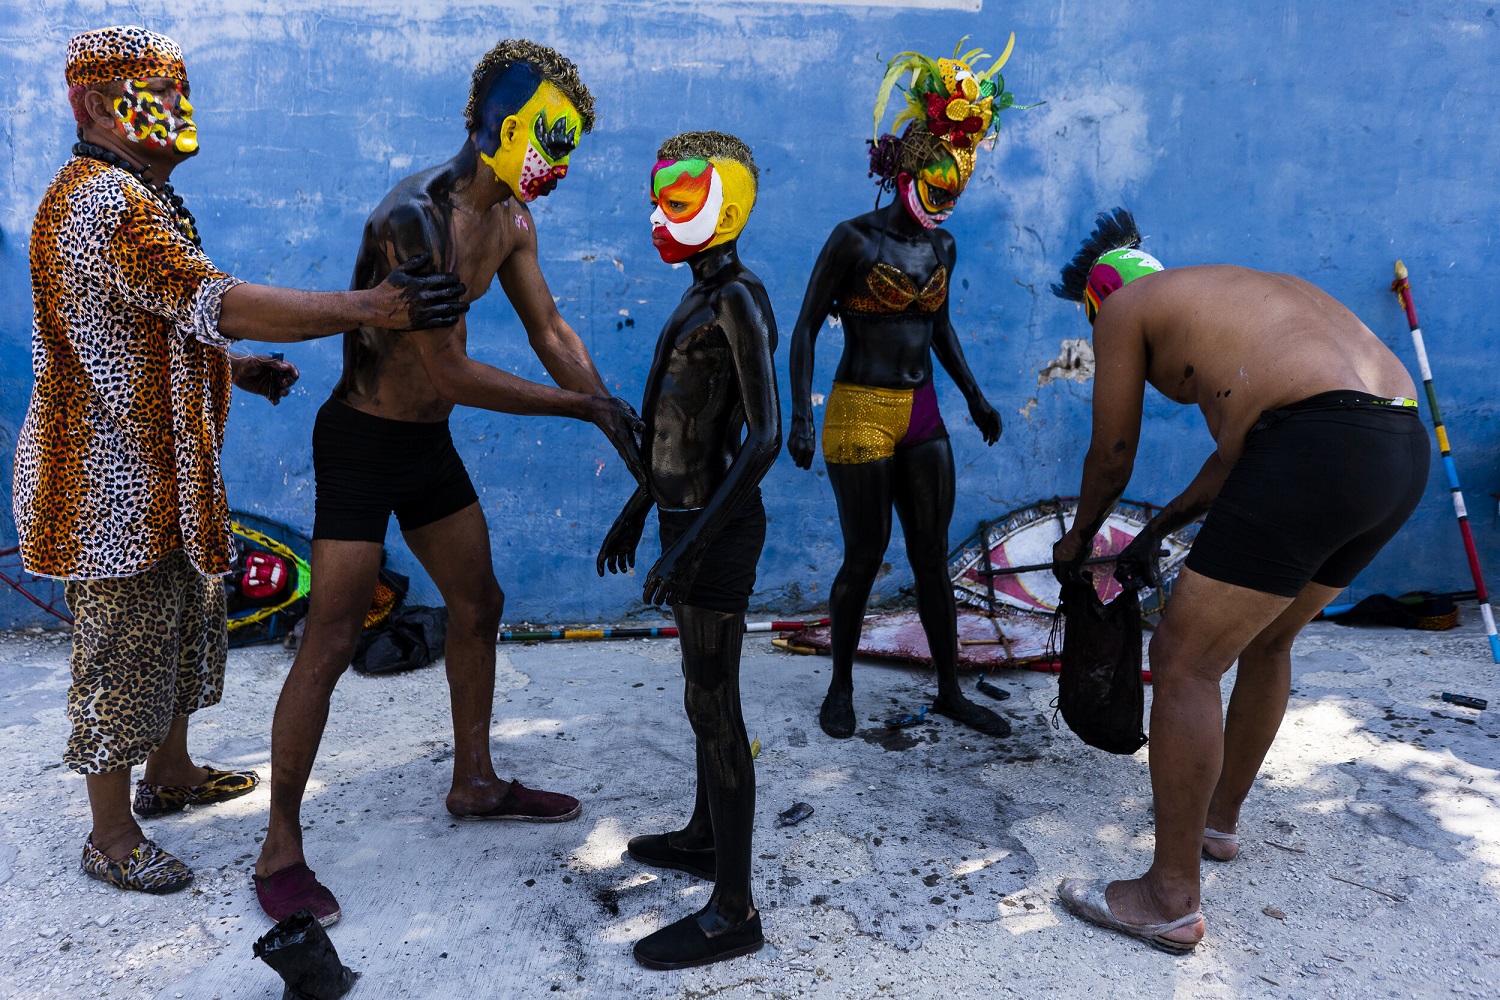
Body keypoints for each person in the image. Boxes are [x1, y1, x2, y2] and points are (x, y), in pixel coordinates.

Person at [15, 26, 468, 895]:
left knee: (183, 624)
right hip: (104, 483)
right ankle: (109, 835)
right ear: (103, 106)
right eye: (160, 90)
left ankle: (173, 772)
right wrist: (372, 306)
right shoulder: (104, 205)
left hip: (165, 472)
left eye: (182, 88)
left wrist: (236, 370)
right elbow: (212, 301)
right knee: (118, 653)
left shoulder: (139, 195)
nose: (181, 106)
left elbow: (150, 324)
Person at [252, 39, 644, 927]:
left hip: (427, 447)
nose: (560, 163)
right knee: (332, 636)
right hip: (359, 442)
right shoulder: (416, 219)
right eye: (551, 138)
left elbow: (547, 327)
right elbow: (451, 372)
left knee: (479, 601)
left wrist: (607, 401)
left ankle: (474, 781)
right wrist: (581, 413)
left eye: (569, 144)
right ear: (498, 126)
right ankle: (279, 843)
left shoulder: (510, 218)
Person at [1049, 208, 1429, 952]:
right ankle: (1218, 823)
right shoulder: (1238, 298)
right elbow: (1236, 456)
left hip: (1318, 444)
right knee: (1270, 638)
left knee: (1187, 658)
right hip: (1397, 447)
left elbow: (1112, 453)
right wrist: (1156, 535)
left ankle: (1166, 895)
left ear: (1099, 300)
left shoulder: (1122, 309)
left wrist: (1081, 538)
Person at [787, 40, 1024, 740]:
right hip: (860, 410)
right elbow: (803, 329)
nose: (948, 205)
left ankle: (950, 689)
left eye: (958, 193)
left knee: (930, 555)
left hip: (925, 415)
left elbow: (939, 327)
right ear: (907, 171)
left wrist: (975, 396)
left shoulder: (942, 248)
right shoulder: (852, 241)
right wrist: (801, 416)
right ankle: (839, 688)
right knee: (865, 554)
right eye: (940, 189)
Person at [597, 131, 779, 969]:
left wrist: (688, 546)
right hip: (683, 523)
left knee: (717, 709)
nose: (656, 216)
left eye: (678, 200)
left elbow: (764, 437)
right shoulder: (697, 294)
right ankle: (707, 837)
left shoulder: (738, 297)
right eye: (656, 197)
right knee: (700, 701)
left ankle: (735, 910)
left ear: (727, 205)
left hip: (717, 530)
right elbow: (682, 432)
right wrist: (642, 509)